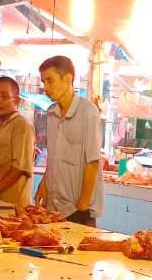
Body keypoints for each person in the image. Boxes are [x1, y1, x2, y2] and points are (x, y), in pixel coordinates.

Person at [35, 55, 103, 226]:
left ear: (68, 79)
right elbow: (54, 157)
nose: (46, 87)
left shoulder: (88, 112)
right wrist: (44, 184)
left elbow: (93, 162)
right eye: (44, 82)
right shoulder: (51, 114)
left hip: (78, 211)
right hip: (53, 208)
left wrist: (82, 205)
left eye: (50, 81)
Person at [0, 75, 35, 207]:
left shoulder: (22, 125)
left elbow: (20, 167)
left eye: (4, 96)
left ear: (16, 100)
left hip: (12, 207)